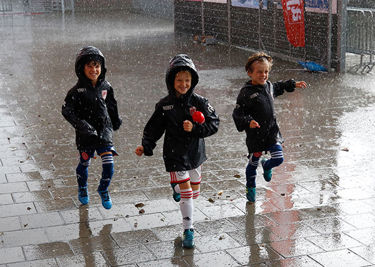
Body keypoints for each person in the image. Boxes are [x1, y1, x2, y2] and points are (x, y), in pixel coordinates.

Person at [135, 54, 219, 248]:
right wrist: (146, 145)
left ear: (193, 81)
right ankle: (188, 229)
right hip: (174, 154)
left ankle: (176, 188)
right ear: (171, 81)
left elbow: (214, 124)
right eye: (179, 80)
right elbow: (153, 128)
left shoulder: (200, 102)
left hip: (195, 154)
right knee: (187, 194)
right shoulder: (164, 105)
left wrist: (196, 128)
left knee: (194, 192)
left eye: (187, 80)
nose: (183, 84)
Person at [232, 52, 307, 202]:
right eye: (259, 72)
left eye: (266, 71)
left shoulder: (269, 87)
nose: (263, 75)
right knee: (253, 163)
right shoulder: (246, 92)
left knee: (278, 158)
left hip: (272, 131)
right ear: (250, 73)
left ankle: (267, 165)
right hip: (256, 134)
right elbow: (238, 112)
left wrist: (292, 84)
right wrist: (248, 121)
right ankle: (250, 186)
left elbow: (279, 86)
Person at [62, 46, 122, 210]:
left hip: (104, 132)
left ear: (102, 68)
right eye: (89, 66)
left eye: (97, 66)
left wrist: (115, 120)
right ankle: (82, 187)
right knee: (84, 162)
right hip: (86, 135)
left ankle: (103, 189)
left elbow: (111, 105)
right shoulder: (76, 91)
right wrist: (81, 125)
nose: (93, 70)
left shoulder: (106, 87)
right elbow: (66, 110)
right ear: (81, 68)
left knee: (109, 165)